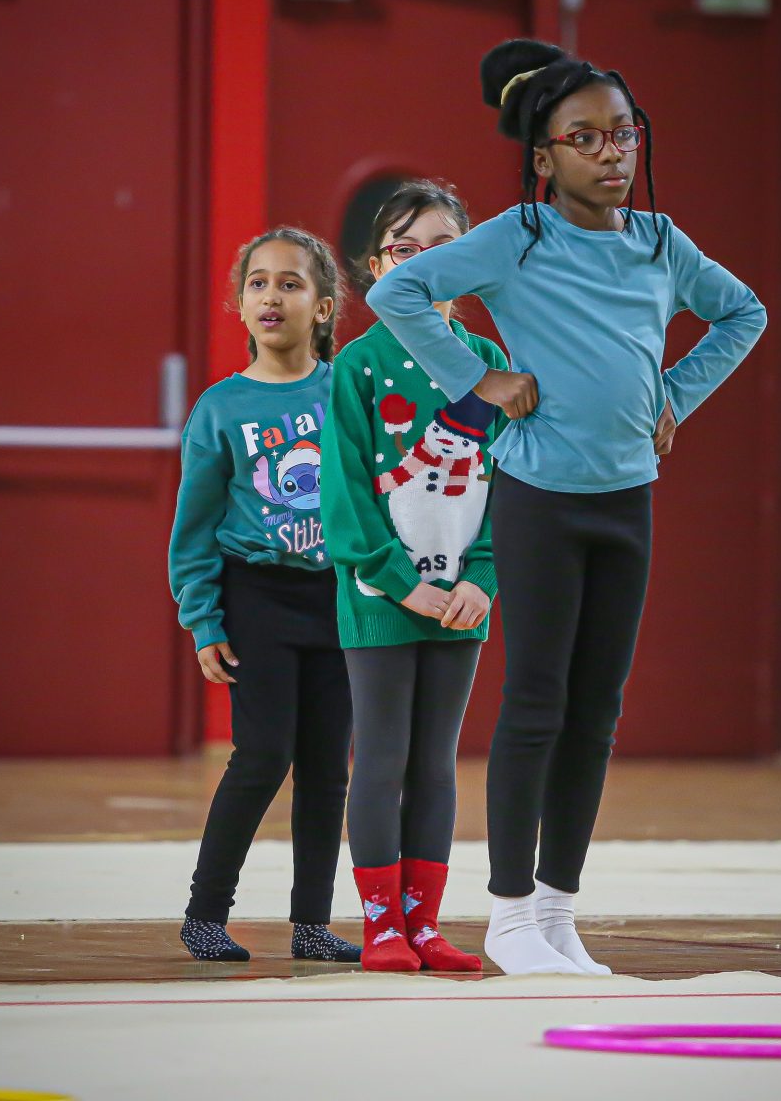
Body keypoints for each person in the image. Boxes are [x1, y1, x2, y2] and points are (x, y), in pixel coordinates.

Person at [364, 40, 768, 975]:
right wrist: (478, 380)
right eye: (584, 138)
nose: (610, 152)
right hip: (541, 498)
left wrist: (675, 395)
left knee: (597, 712)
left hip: (627, 501)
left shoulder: (661, 243)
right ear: (544, 158)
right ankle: (508, 915)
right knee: (537, 703)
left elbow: (742, 312)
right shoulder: (519, 236)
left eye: (623, 133)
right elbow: (399, 290)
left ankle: (556, 913)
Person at [320, 180, 508, 972]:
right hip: (382, 598)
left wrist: (483, 577)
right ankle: (382, 928)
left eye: (443, 249)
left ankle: (424, 925)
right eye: (405, 250)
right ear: (375, 268)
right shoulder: (358, 366)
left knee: (436, 761)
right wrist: (399, 581)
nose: (424, 264)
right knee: (383, 756)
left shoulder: (491, 365)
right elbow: (344, 496)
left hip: (462, 600)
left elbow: (514, 483)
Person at [169, 227, 359, 964]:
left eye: (290, 283)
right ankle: (205, 913)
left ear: (322, 307)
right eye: (258, 283)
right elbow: (194, 528)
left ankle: (311, 924)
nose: (271, 295)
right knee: (262, 754)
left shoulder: (348, 391)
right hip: (256, 596)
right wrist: (203, 618)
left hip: (338, 597)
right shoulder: (221, 408)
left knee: (327, 767)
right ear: (241, 305)